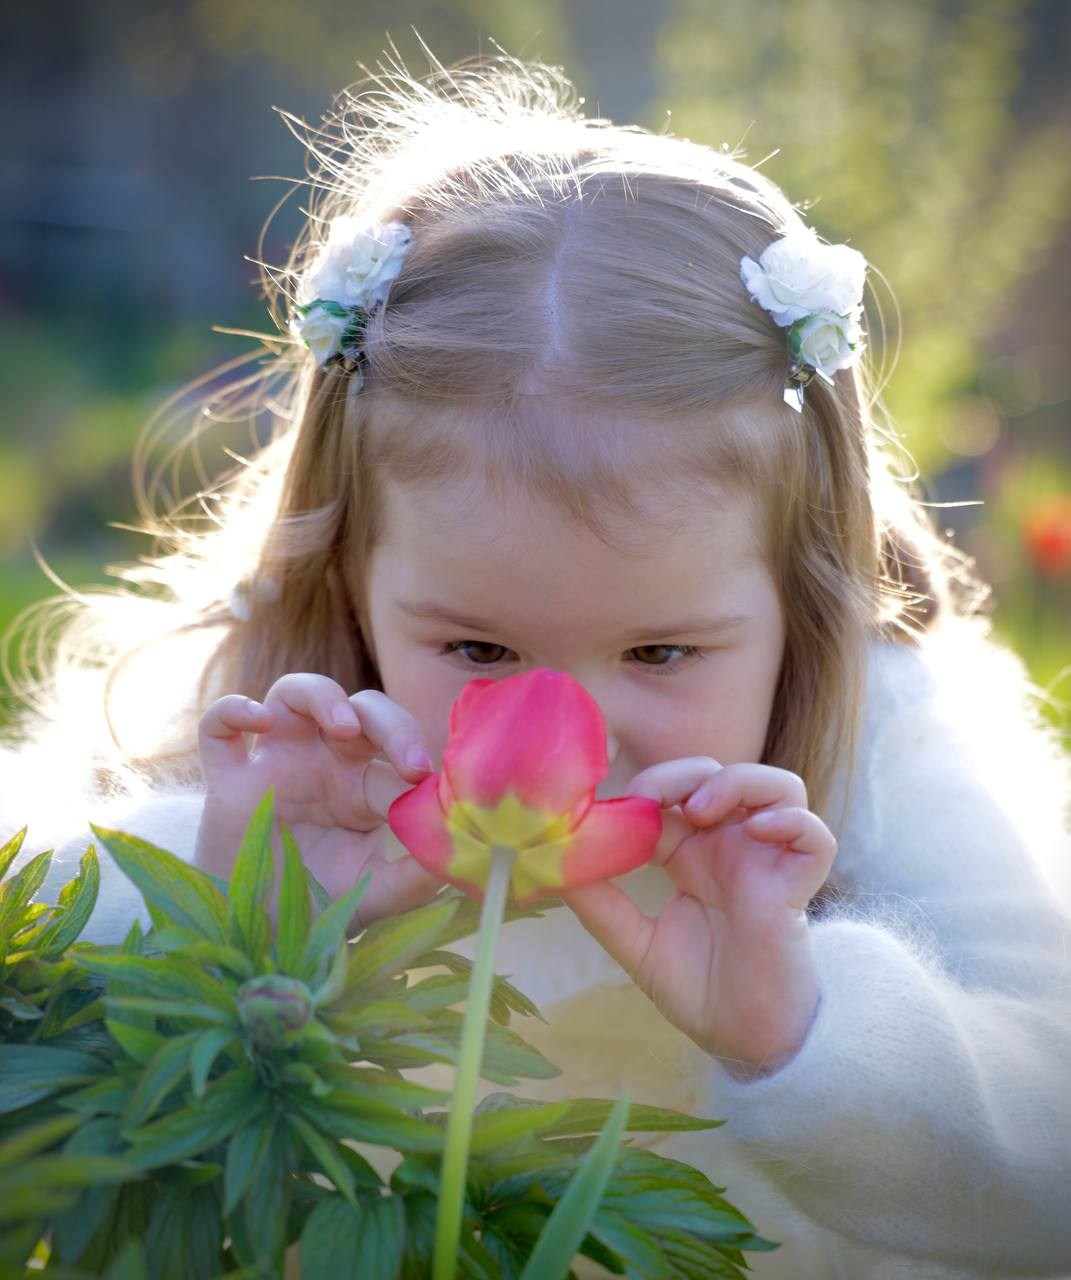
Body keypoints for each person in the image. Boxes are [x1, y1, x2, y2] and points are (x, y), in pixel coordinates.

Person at [4, 51, 1070, 1280]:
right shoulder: (282, 724)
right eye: (479, 647)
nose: (579, 732)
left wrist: (804, 1027)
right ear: (349, 572)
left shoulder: (892, 741)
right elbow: (22, 934)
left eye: (661, 648)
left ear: (804, 594)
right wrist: (223, 896)